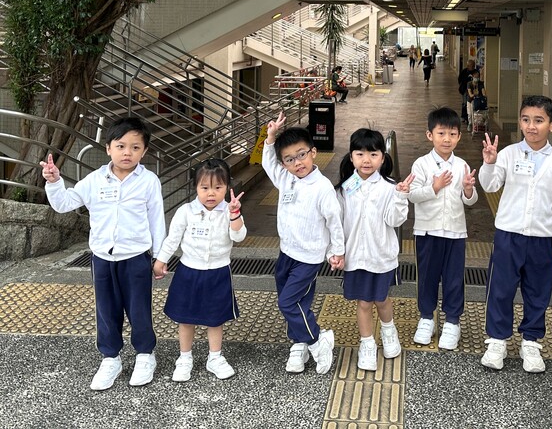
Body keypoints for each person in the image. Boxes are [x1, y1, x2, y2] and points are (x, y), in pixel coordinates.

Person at [40, 117, 166, 391]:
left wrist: (160, 257)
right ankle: (111, 358)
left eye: (135, 147)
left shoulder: (148, 181)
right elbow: (64, 203)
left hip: (136, 257)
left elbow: (157, 219)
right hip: (102, 258)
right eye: (121, 146)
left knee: (139, 310)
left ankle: (145, 355)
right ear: (108, 148)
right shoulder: (94, 180)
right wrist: (54, 181)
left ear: (144, 151)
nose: (127, 153)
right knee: (106, 311)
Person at [478, 95, 552, 372]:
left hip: (541, 239)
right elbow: (490, 185)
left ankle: (530, 341)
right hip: (508, 235)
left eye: (539, 121)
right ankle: (497, 340)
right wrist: (489, 163)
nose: (531, 126)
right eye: (526, 120)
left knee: (538, 291)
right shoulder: (508, 154)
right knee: (500, 289)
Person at [261, 113, 345, 375]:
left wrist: (337, 251)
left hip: (308, 257)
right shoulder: (285, 179)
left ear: (313, 152)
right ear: (283, 164)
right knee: (298, 302)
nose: (297, 162)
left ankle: (317, 341)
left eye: (301, 155)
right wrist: (270, 138)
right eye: (289, 159)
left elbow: (334, 221)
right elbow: (267, 163)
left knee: (287, 303)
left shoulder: (322, 188)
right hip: (286, 252)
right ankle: (298, 343)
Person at [152, 159, 246, 382]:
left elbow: (239, 236)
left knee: (215, 319)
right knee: (186, 318)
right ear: (195, 187)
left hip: (218, 271)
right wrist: (161, 260)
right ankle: (185, 358)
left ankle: (215, 357)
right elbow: (173, 238)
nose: (211, 193)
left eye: (218, 187)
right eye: (204, 187)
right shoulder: (186, 211)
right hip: (189, 271)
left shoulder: (229, 211)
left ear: (227, 187)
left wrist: (235, 214)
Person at [336, 129, 414, 371]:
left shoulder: (390, 187)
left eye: (373, 154)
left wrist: (401, 196)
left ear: (382, 157)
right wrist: (336, 251)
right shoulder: (345, 188)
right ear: (351, 157)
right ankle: (367, 343)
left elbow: (395, 220)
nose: (366, 160)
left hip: (381, 257)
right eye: (360, 154)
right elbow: (337, 223)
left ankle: (389, 332)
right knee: (363, 303)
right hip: (356, 258)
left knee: (381, 299)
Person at [408, 107, 478, 350]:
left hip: (455, 232)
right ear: (430, 135)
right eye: (441, 133)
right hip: (427, 232)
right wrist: (434, 187)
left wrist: (468, 189)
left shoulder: (462, 165)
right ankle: (426, 318)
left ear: (459, 136)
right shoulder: (421, 164)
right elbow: (412, 195)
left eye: (452, 134)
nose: (447, 139)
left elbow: (470, 201)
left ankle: (452, 321)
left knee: (454, 278)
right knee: (427, 277)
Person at [466, 67, 486, 132]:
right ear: (472, 77)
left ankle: (477, 126)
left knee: (477, 114)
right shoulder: (469, 84)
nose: (476, 78)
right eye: (475, 77)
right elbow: (470, 94)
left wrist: (483, 95)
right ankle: (470, 124)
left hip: (478, 101)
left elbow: (483, 92)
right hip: (470, 100)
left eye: (477, 77)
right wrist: (474, 94)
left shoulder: (480, 83)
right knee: (470, 114)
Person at [457, 59, 476, 124]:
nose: (473, 67)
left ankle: (471, 116)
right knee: (465, 103)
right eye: (471, 66)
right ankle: (464, 116)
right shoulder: (464, 72)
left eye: (473, 66)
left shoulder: (475, 72)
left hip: (473, 90)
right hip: (465, 90)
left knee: (472, 103)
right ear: (468, 66)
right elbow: (459, 79)